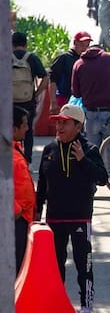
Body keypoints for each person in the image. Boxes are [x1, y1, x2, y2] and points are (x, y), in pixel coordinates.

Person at [36, 103, 108, 313]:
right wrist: (37, 213)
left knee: (83, 265)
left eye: (64, 123)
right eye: (58, 122)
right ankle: (57, 304)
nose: (59, 126)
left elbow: (102, 178)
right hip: (54, 218)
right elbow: (42, 184)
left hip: (80, 218)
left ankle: (86, 306)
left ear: (78, 126)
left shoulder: (89, 149)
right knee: (55, 267)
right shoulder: (49, 149)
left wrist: (84, 161)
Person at [72, 39, 110, 199]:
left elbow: (76, 93)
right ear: (100, 50)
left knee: (92, 151)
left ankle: (89, 188)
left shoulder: (79, 64)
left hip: (91, 114)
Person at [12, 31, 49, 162]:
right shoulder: (31, 58)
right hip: (27, 102)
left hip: (10, 103)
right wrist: (36, 94)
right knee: (27, 131)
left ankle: (10, 158)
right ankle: (26, 160)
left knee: (8, 130)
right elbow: (45, 78)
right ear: (25, 44)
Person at [13, 106, 36, 275]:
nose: (27, 129)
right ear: (13, 129)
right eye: (24, 125)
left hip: (23, 219)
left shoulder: (16, 149)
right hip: (14, 220)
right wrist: (16, 210)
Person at [49, 31, 92, 114]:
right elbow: (52, 80)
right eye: (82, 45)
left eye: (87, 46)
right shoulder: (63, 58)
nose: (84, 49)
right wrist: (53, 102)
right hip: (64, 99)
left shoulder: (86, 60)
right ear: (75, 43)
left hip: (82, 102)